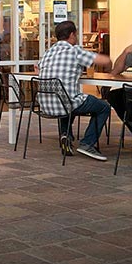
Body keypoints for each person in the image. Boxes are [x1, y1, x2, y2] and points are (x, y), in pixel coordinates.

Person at [37, 20, 113, 161]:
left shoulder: (48, 53)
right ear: (72, 35)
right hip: (65, 104)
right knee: (104, 107)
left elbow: (38, 68)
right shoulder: (74, 51)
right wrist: (110, 66)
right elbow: (105, 61)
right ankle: (87, 144)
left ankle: (65, 135)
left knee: (66, 98)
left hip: (46, 105)